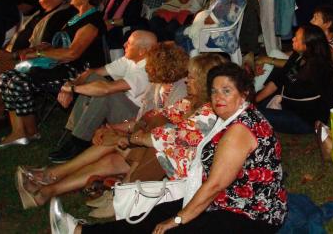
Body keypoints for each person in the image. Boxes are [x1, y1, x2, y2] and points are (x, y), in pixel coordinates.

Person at [51, 62, 287, 234]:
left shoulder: (240, 129)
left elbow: (215, 185)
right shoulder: (236, 117)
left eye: (226, 91)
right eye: (214, 91)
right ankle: (81, 232)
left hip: (249, 214)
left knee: (168, 226)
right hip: (229, 200)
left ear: (244, 93)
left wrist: (178, 219)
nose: (218, 97)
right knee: (157, 213)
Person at [15, 45, 206, 212]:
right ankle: (47, 190)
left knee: (110, 149)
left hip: (159, 153)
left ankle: (49, 177)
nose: (147, 67)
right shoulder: (158, 86)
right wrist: (113, 128)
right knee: (109, 159)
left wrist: (118, 134)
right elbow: (140, 121)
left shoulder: (181, 92)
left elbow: (162, 130)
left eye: (150, 63)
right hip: (148, 144)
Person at [0, 0, 106, 148]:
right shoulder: (76, 17)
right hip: (59, 64)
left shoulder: (92, 21)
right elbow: (58, 44)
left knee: (17, 81)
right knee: (5, 78)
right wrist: (38, 50)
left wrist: (39, 52)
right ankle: (20, 131)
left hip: (77, 70)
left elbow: (73, 53)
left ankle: (29, 132)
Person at [0, 0, 75, 126]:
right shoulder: (41, 13)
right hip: (17, 55)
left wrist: (12, 55)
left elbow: (47, 47)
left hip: (31, 61)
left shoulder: (60, 15)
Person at [47, 30, 158, 163]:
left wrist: (72, 89)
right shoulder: (131, 60)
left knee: (106, 94)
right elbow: (92, 73)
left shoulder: (147, 69)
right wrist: (71, 86)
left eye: (129, 43)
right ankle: (77, 134)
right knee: (95, 79)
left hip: (136, 118)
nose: (124, 45)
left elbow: (107, 89)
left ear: (142, 51)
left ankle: (79, 142)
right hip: (123, 106)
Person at [256, 24, 333, 134]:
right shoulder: (299, 55)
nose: (293, 39)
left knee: (256, 114)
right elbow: (278, 80)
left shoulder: (318, 69)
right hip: (288, 104)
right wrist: (254, 99)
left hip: (306, 120)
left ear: (307, 45)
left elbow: (290, 89)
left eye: (297, 39)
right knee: (251, 106)